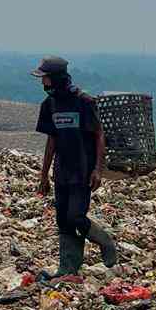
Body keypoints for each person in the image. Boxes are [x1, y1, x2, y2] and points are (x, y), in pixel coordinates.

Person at [32, 55, 117, 277]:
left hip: (82, 170)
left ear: (57, 78)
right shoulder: (49, 105)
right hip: (62, 170)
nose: (43, 83)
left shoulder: (84, 102)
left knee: (76, 216)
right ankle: (68, 267)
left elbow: (99, 135)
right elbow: (52, 140)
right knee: (62, 219)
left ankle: (105, 242)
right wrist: (44, 175)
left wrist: (97, 169)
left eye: (46, 78)